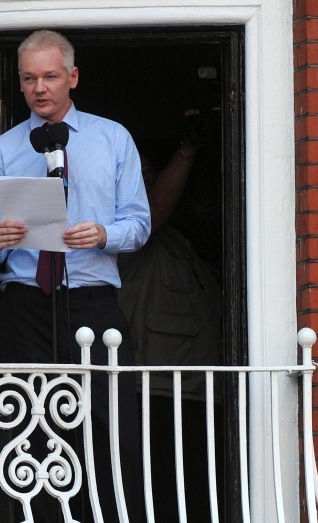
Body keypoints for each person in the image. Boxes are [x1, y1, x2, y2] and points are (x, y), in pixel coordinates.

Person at [0, 30, 150, 523]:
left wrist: (102, 235)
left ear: (72, 77)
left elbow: (139, 224)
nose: (39, 88)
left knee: (112, 432)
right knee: (26, 437)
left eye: (50, 76)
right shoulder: (4, 149)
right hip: (26, 305)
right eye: (29, 78)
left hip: (94, 304)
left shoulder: (112, 138)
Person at [117, 119, 223, 523]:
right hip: (151, 397)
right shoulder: (126, 240)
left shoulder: (188, 248)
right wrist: (189, 148)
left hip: (199, 399)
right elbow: (154, 209)